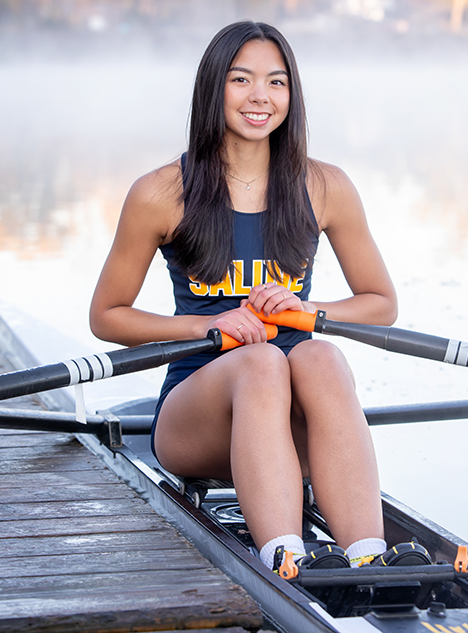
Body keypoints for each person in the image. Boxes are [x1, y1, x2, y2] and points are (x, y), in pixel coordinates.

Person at [90, 21, 430, 573]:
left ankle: (368, 558)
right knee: (262, 361)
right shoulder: (160, 193)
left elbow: (380, 302)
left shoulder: (325, 186)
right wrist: (209, 327)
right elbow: (106, 316)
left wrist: (309, 313)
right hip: (196, 420)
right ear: (213, 89)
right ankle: (285, 560)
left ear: (291, 96)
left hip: (292, 422)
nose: (260, 98)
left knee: (320, 353)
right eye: (241, 79)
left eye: (276, 83)